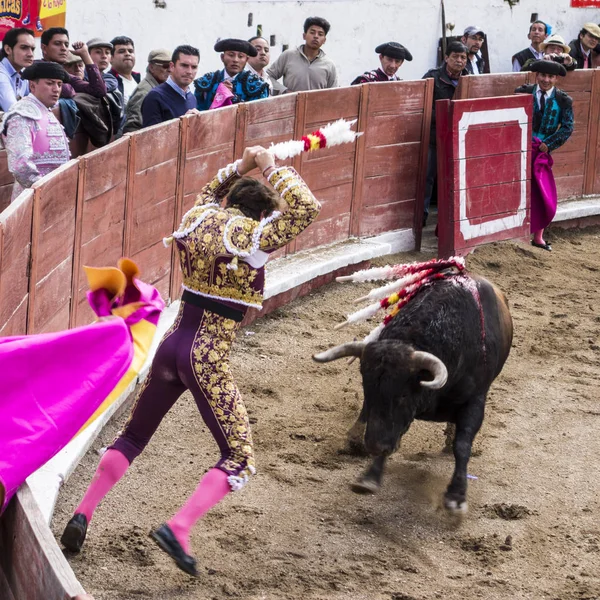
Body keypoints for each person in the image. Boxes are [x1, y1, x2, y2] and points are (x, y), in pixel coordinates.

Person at [60, 144, 321, 576]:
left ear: (230, 201)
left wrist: (242, 166)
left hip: (171, 343)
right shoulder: (252, 239)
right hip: (207, 356)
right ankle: (179, 528)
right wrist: (272, 167)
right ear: (257, 216)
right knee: (238, 455)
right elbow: (305, 206)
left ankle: (83, 513)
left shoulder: (196, 218)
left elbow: (207, 191)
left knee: (133, 436)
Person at [515, 60, 573, 251]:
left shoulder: (563, 100)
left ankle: (538, 237)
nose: (546, 80)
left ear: (556, 78)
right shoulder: (522, 92)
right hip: (520, 147)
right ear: (536, 75)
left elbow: (567, 127)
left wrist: (549, 144)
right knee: (518, 189)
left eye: (550, 77)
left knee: (541, 193)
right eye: (543, 75)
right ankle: (517, 233)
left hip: (541, 151)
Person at [1, 61, 70, 201]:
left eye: (59, 84)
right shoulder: (22, 114)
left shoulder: (44, 111)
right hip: (33, 198)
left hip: (53, 194)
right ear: (32, 85)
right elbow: (20, 165)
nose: (56, 89)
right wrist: (43, 191)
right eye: (50, 83)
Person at [421, 41, 468, 226]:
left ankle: (450, 220)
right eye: (455, 56)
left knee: (455, 178)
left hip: (458, 137)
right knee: (428, 177)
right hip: (434, 135)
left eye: (463, 57)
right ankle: (422, 216)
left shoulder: (468, 79)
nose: (459, 60)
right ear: (446, 58)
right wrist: (445, 116)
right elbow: (424, 107)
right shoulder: (432, 77)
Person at [194, 39, 269, 111]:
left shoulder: (257, 85)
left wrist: (232, 97)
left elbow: (257, 114)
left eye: (240, 56)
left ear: (246, 59)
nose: (235, 60)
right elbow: (199, 111)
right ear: (222, 57)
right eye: (231, 55)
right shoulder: (208, 81)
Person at [267, 17, 338, 92]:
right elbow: (268, 77)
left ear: (324, 40)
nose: (316, 36)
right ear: (304, 36)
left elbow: (334, 93)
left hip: (317, 103)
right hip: (290, 103)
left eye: (320, 34)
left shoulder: (329, 65)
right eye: (312, 32)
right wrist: (284, 91)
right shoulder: (288, 55)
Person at [142, 45, 199, 127]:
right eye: (184, 65)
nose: (189, 71)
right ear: (172, 66)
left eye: (194, 67)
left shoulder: (192, 98)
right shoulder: (154, 97)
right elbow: (151, 138)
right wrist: (181, 124)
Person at [124, 48, 171, 133]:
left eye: (172, 66)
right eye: (165, 66)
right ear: (151, 67)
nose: (170, 70)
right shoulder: (145, 91)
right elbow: (132, 127)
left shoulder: (158, 88)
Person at [0, 27, 35, 111]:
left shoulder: (22, 74)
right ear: (8, 49)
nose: (30, 54)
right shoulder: (1, 74)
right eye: (24, 47)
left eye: (32, 49)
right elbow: (13, 111)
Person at [109, 36, 141, 106]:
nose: (127, 54)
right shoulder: (108, 83)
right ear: (111, 58)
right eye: (121, 51)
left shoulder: (139, 81)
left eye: (130, 51)